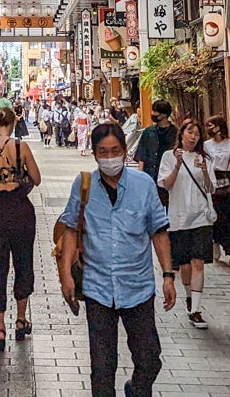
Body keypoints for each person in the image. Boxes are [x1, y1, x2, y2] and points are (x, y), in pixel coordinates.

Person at [57, 122, 176, 397]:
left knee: (149, 359)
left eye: (115, 151)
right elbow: (71, 230)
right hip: (98, 288)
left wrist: (168, 276)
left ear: (124, 151)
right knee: (102, 368)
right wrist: (66, 276)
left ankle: (136, 389)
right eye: (103, 152)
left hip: (138, 287)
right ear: (95, 154)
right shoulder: (84, 185)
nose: (109, 157)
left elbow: (158, 231)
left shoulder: (143, 185)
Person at [0, 106, 42, 350]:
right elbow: (37, 178)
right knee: (23, 262)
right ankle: (21, 319)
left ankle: (0, 328)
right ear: (13, 124)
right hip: (20, 208)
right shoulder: (22, 147)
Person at [157, 119, 215, 329]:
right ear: (181, 134)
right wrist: (177, 165)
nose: (193, 137)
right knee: (184, 266)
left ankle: (196, 309)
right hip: (179, 218)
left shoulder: (205, 158)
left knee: (198, 262)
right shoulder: (169, 156)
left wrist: (206, 171)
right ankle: (190, 297)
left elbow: (211, 188)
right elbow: (166, 185)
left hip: (201, 217)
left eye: (197, 134)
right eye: (190, 132)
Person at [203, 116, 230, 269]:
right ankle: (216, 243)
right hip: (213, 179)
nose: (209, 129)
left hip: (229, 179)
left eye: (211, 125)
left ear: (219, 126)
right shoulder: (206, 145)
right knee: (215, 215)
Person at [132, 101, 178, 206]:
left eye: (155, 112)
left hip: (167, 177)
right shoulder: (148, 132)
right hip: (150, 176)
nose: (153, 114)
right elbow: (141, 156)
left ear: (164, 114)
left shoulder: (175, 133)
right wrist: (141, 177)